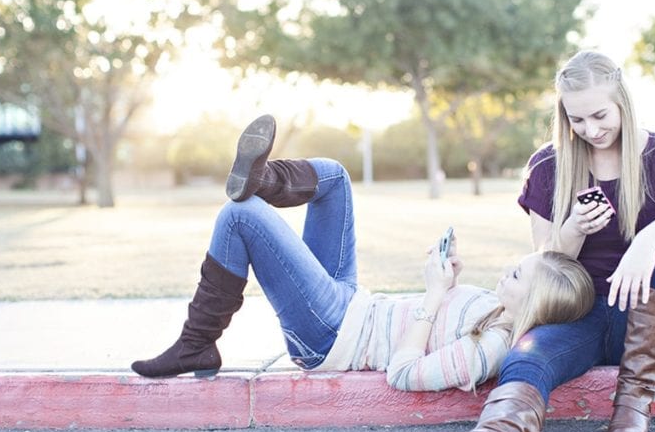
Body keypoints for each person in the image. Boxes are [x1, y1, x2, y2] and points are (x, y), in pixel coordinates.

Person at [409, 50, 655, 432]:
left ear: (623, 101)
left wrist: (645, 241)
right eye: (577, 120)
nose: (590, 130)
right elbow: (545, 266)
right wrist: (572, 229)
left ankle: (634, 401)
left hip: (649, 324)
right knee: (531, 353)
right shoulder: (549, 164)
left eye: (600, 115)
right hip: (579, 316)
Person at [131, 114, 596, 393]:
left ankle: (196, 343)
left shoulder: (490, 349)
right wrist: (449, 283)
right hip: (354, 303)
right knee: (333, 178)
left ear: (533, 306)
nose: (510, 268)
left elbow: (404, 373)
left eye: (519, 275)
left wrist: (434, 297)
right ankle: (262, 178)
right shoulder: (496, 310)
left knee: (241, 217)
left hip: (333, 336)